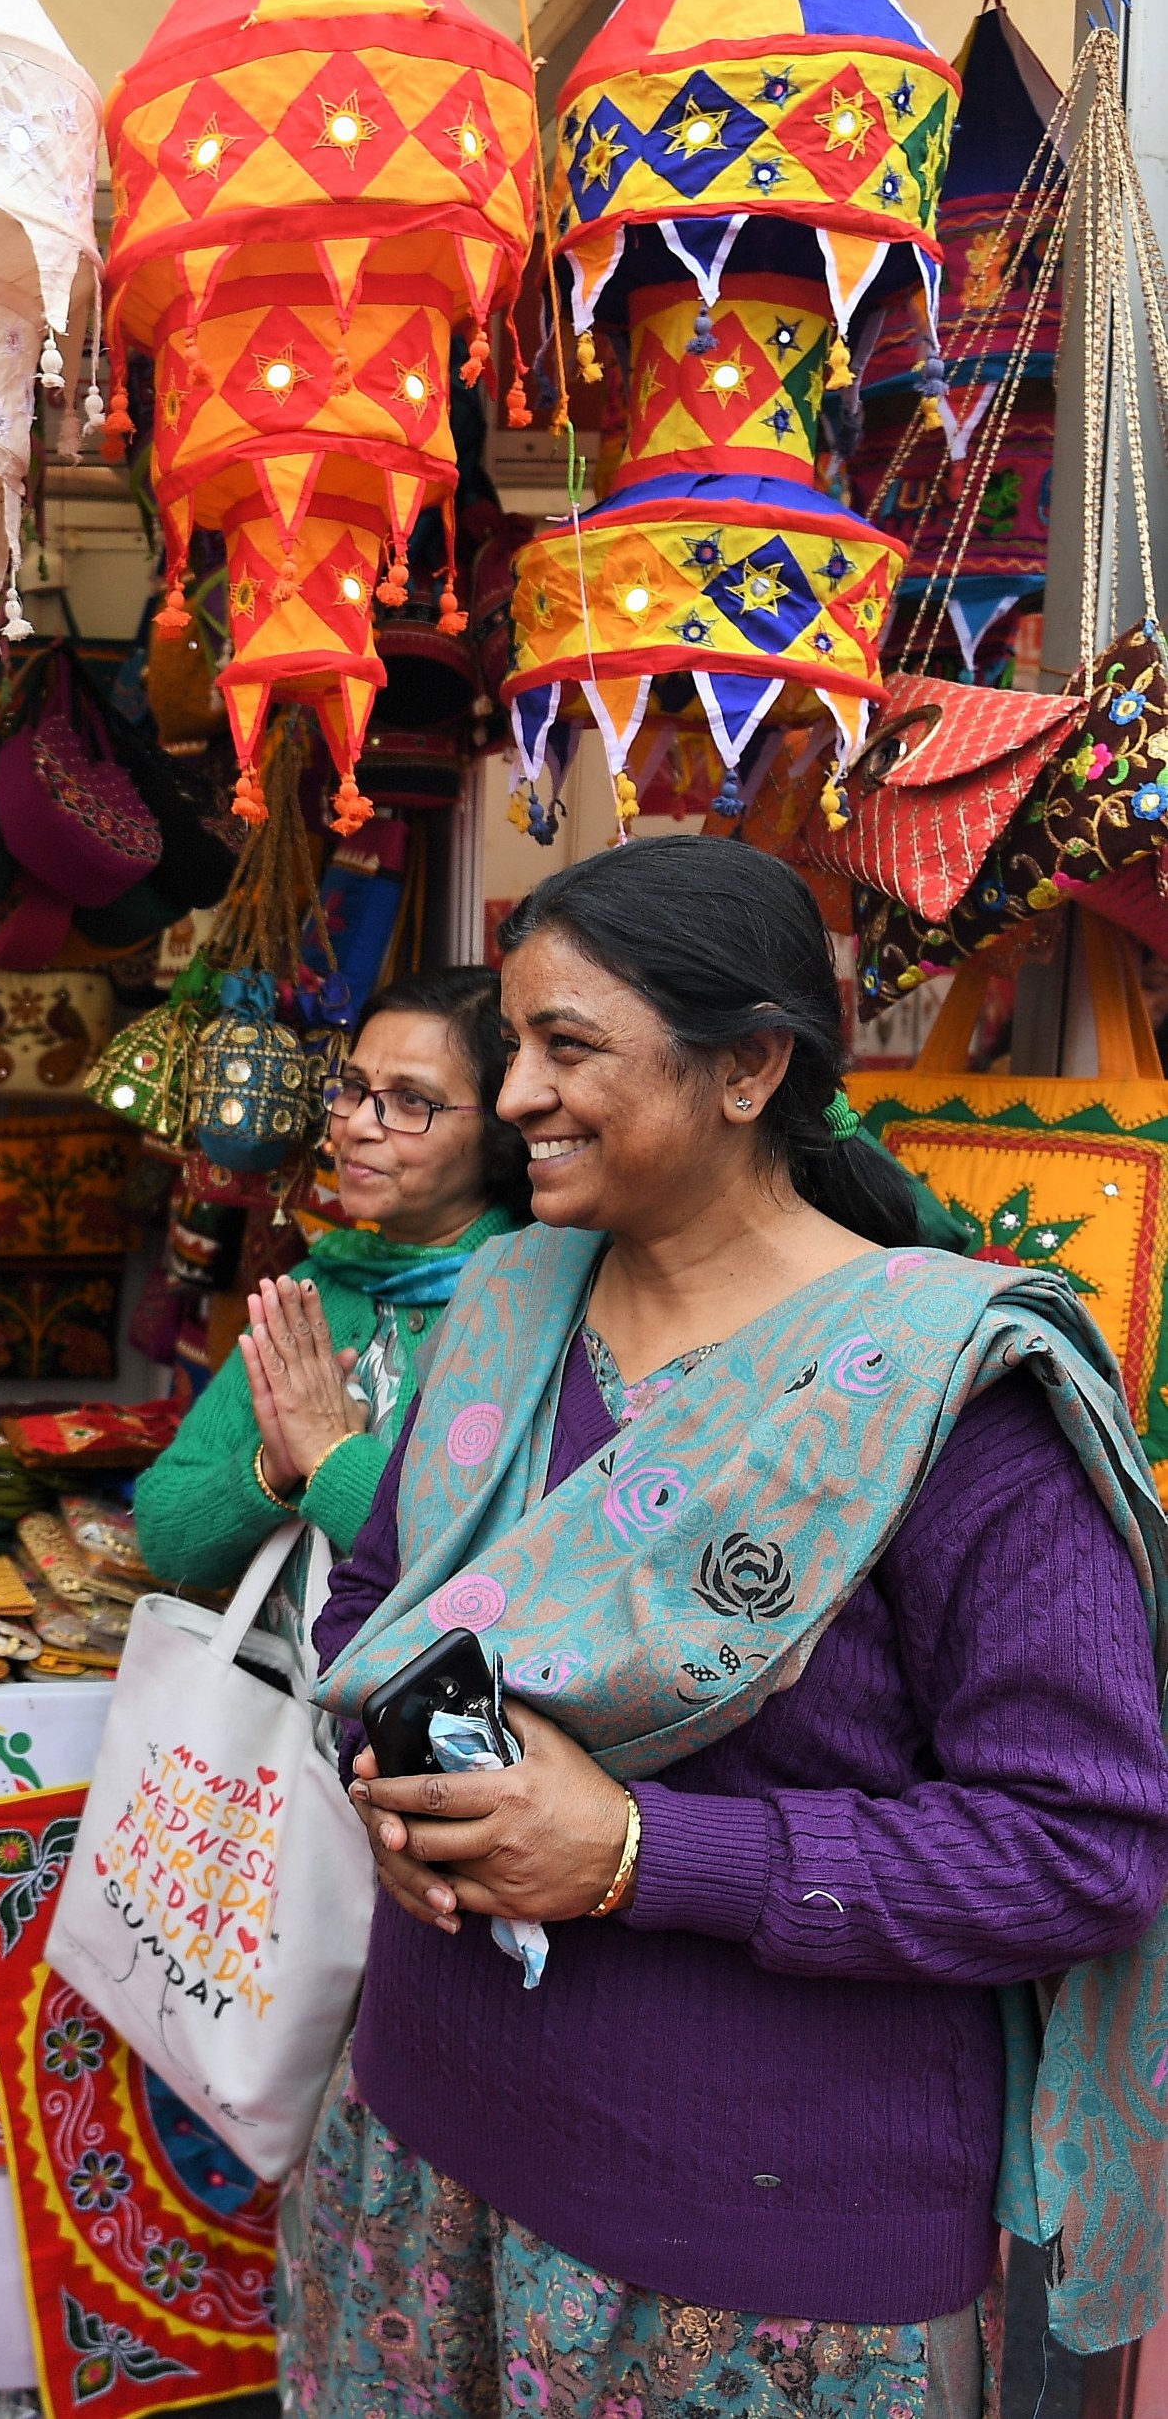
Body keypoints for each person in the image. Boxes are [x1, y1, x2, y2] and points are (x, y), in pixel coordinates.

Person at [293, 832, 1168, 2406]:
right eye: (513, 1049)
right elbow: (373, 1612)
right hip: (420, 2143)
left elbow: (1074, 1849)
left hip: (738, 2235)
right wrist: (396, 1793)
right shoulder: (505, 1306)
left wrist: (635, 1855)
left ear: (748, 1068)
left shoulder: (943, 1400)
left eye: (567, 1049)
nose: (509, 1101)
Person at [133, 967, 528, 1593]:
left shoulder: (538, 1303)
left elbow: (492, 1574)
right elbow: (163, 1535)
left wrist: (331, 1458)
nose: (357, 1126)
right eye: (353, 1088)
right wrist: (274, 1467)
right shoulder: (321, 1287)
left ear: (501, 1130)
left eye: (410, 1101)